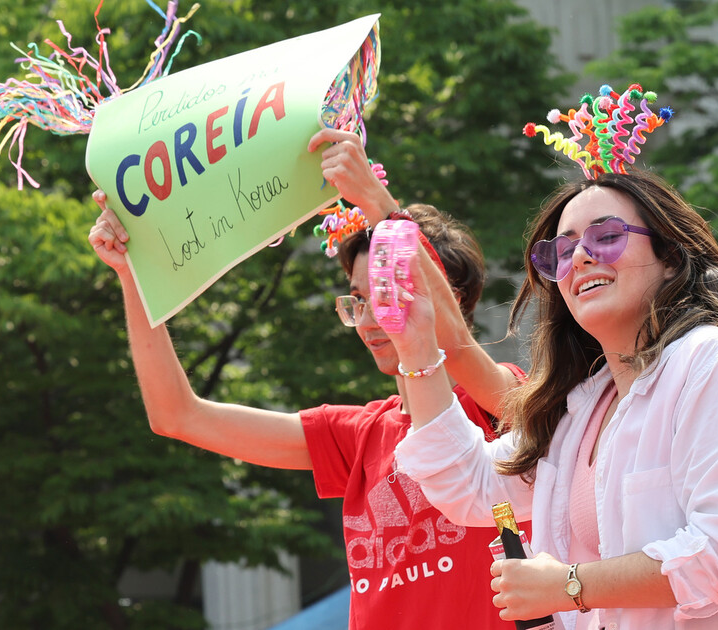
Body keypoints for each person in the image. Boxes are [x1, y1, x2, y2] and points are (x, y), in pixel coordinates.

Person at [88, 128, 524, 630]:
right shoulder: (358, 436)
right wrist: (133, 276)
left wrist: (378, 204)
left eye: (386, 289)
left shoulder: (502, 401)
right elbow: (177, 415)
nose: (369, 317)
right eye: (358, 299)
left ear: (450, 296)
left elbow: (460, 349)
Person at [389, 169, 718, 629]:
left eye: (607, 236)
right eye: (561, 250)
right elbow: (470, 484)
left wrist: (568, 585)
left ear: (671, 255)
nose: (579, 258)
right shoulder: (583, 407)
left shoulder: (717, 364)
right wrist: (416, 346)